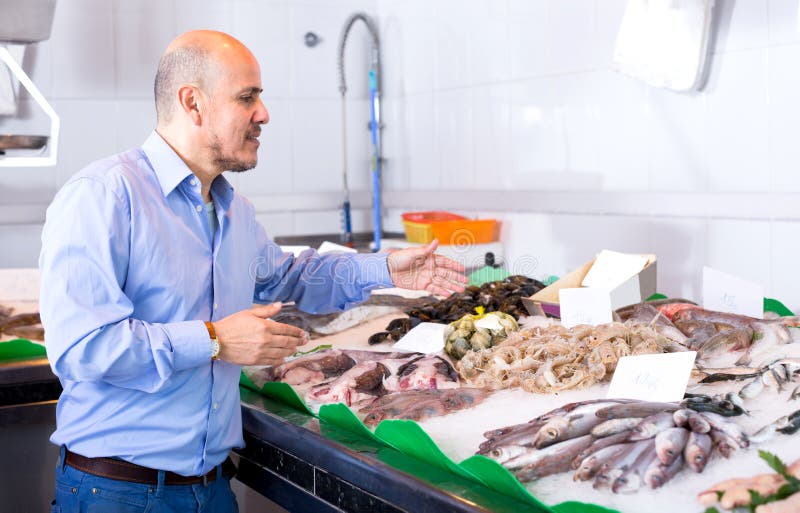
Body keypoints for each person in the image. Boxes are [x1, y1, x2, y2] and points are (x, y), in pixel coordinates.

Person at [40, 30, 467, 513]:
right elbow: (82, 349)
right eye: (248, 98)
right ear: (193, 103)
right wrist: (215, 340)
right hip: (117, 493)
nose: (263, 114)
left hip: (214, 489)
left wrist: (386, 268)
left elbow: (289, 278)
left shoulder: (232, 208)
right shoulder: (103, 196)